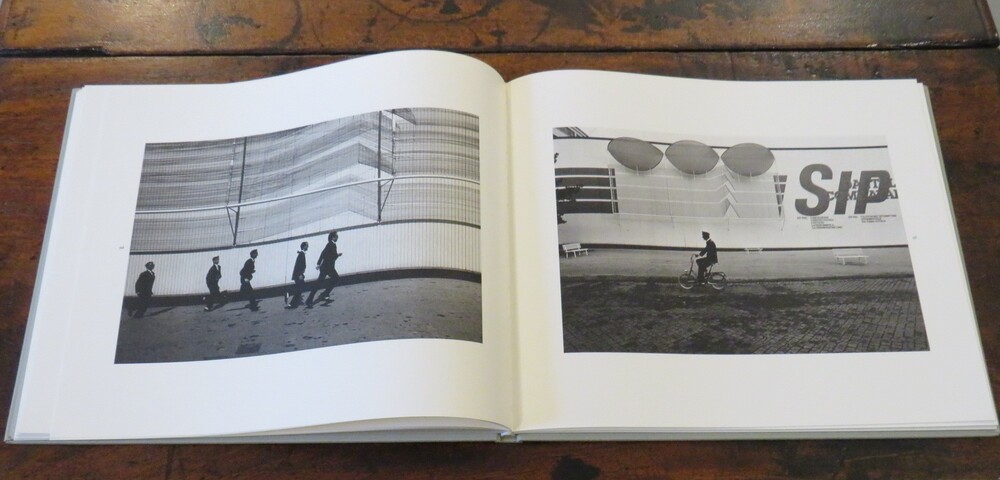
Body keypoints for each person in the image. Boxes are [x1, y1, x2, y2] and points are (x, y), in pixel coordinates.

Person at [306, 231, 342, 307]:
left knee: (319, 283)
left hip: (325, 267)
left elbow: (323, 253)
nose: (337, 238)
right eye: (336, 237)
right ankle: (324, 294)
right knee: (335, 278)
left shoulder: (329, 244)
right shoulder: (332, 245)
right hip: (328, 267)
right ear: (333, 237)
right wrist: (337, 255)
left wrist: (319, 263)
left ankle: (311, 299)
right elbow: (333, 256)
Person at [285, 242, 308, 308]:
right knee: (299, 289)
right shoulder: (301, 254)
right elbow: (298, 266)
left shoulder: (301, 254)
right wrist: (300, 274)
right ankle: (291, 302)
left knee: (300, 288)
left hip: (298, 274)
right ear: (304, 247)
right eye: (307, 246)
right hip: (298, 275)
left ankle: (291, 298)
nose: (308, 247)